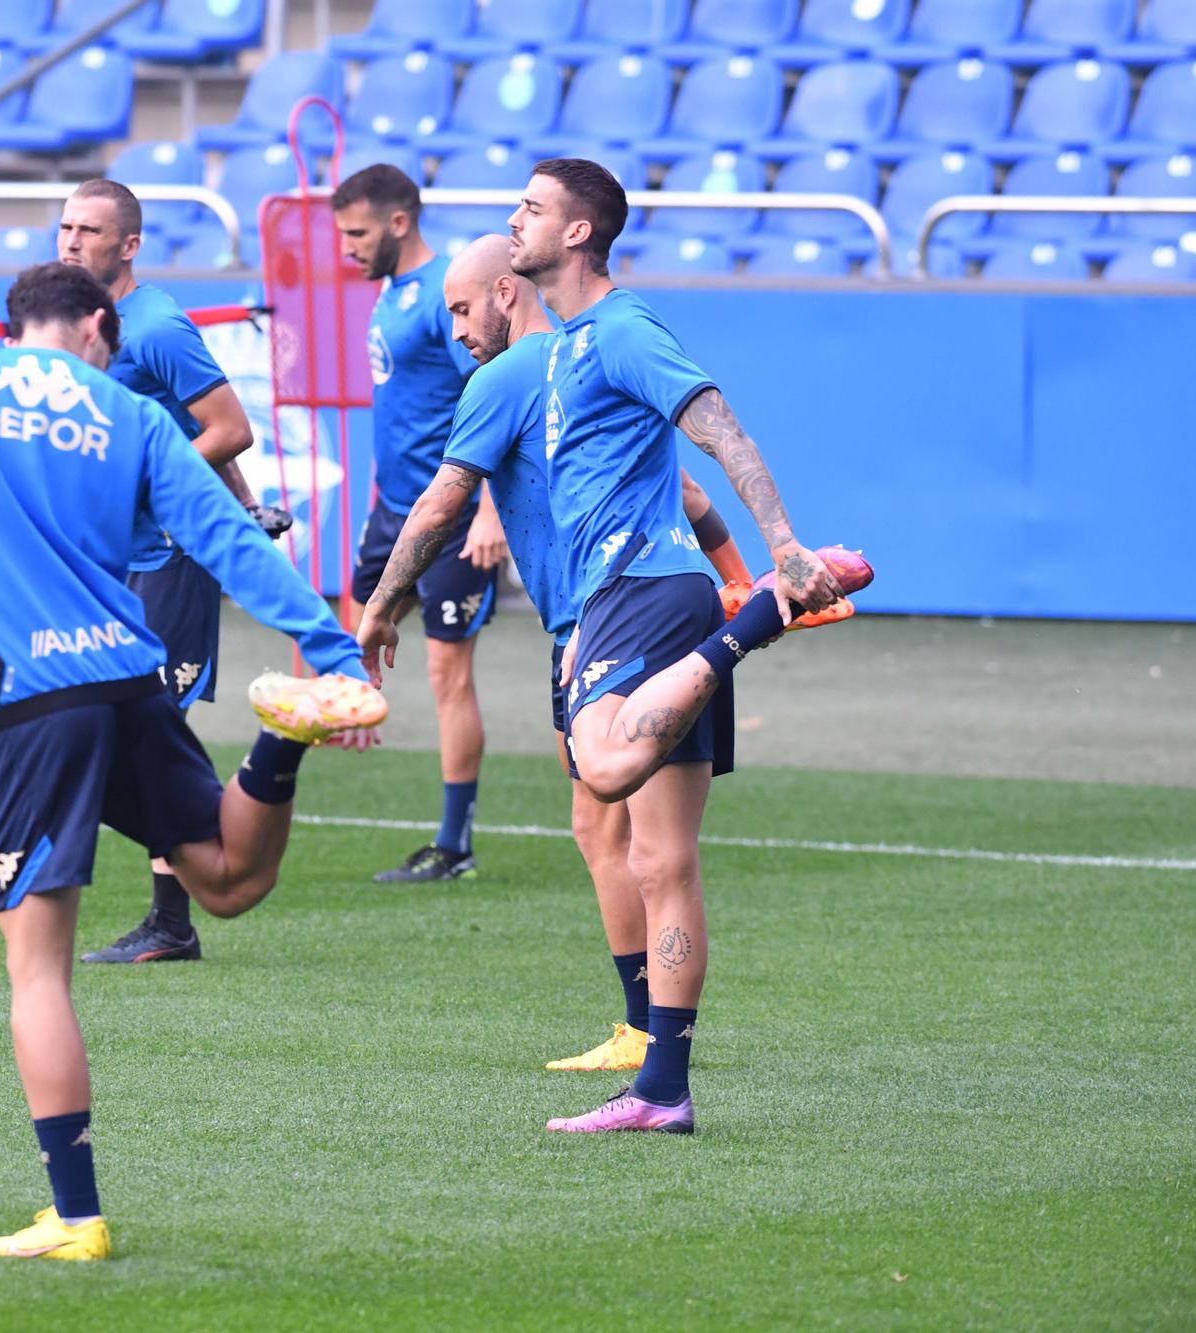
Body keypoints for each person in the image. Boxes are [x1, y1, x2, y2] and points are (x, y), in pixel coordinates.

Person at [0, 263, 385, 1259]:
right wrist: (330, 644)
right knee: (225, 878)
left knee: (36, 971)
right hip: (129, 681)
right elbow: (223, 534)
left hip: (34, 703)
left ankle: (77, 1217)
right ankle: (278, 737)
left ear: (11, 330)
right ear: (96, 325)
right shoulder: (124, 413)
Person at [357, 163, 870, 1135]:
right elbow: (667, 483)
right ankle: (661, 1089)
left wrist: (782, 552)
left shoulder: (620, 330)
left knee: (598, 771)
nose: (515, 219)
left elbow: (714, 427)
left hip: (638, 596)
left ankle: (755, 621)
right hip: (624, 608)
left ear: (579, 231)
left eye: (532, 208)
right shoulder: (531, 366)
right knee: (660, 857)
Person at [429, 236, 769, 1075]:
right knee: (598, 822)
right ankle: (641, 1033)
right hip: (589, 619)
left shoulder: (557, 364)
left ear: (506, 293)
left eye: (464, 309)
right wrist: (735, 575)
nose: (459, 332)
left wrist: (744, 590)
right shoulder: (559, 369)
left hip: (614, 612)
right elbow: (692, 497)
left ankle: (648, 1034)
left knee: (621, 807)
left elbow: (442, 499)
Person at [56, 178, 294, 965]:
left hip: (172, 556)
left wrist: (156, 485)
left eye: (89, 230)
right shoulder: (76, 327)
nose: (71, 241)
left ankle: (173, 919)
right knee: (120, 718)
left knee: (156, 724)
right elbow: (171, 424)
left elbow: (229, 427)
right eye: (64, 227)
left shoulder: (156, 325)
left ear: (128, 245)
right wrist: (247, 505)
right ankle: (165, 914)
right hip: (116, 559)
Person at [333, 165, 509, 884]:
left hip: (455, 516)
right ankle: (352, 717)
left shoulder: (445, 293)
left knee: (446, 671)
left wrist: (491, 510)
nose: (347, 247)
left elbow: (493, 394)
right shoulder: (388, 295)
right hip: (394, 509)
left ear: (398, 223)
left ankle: (454, 842)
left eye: (357, 233)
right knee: (357, 624)